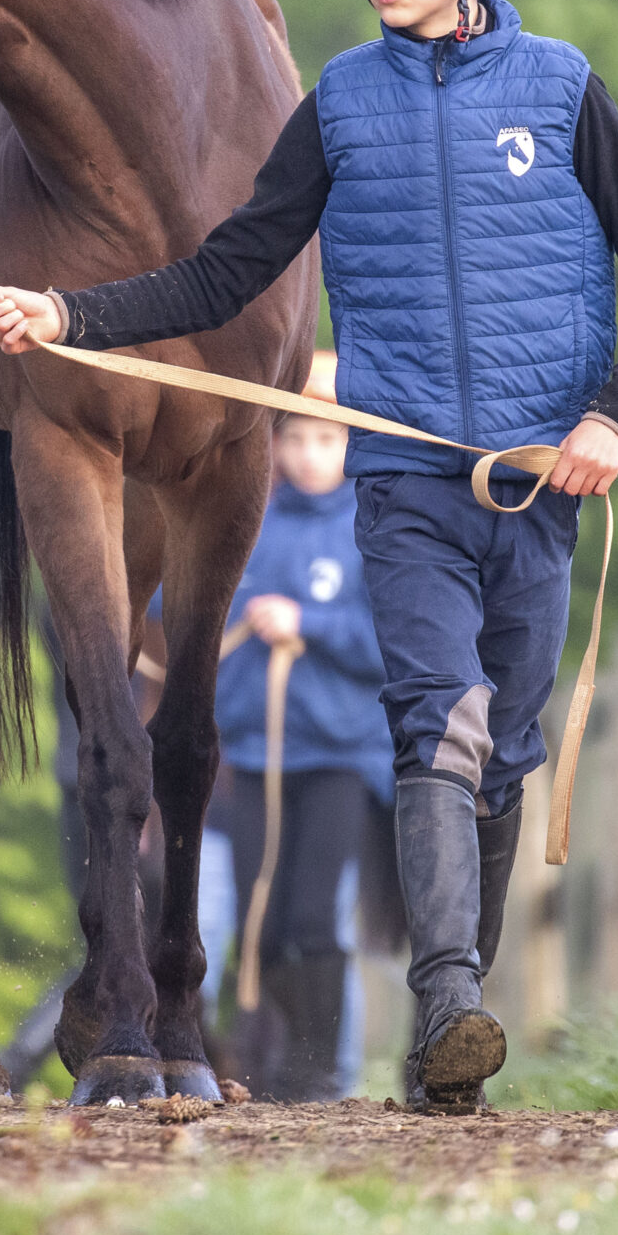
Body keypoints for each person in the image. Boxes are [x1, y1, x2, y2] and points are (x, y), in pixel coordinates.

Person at [0, 0, 618, 1112]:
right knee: (440, 718)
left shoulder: (565, 88)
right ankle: (449, 1001)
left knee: (510, 743)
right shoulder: (340, 107)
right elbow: (225, 269)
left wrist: (613, 423)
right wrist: (67, 316)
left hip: (541, 482)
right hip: (407, 480)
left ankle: (446, 1032)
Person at [208, 350, 391, 1102]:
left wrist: (305, 625)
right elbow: (179, 602)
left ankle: (321, 1071)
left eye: (326, 439)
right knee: (265, 916)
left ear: (351, 443)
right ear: (275, 444)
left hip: (340, 753)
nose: (309, 454)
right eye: (295, 439)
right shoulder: (252, 517)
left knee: (316, 916)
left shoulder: (373, 526)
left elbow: (391, 641)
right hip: (255, 751)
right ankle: (278, 1069)